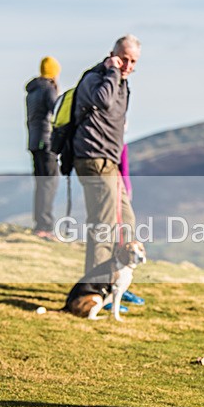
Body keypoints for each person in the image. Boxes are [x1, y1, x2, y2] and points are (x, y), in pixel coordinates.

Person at [72, 35, 144, 308]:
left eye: (132, 62)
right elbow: (102, 101)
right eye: (123, 58)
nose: (127, 65)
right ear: (112, 54)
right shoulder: (96, 77)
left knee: (127, 221)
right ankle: (92, 292)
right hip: (94, 159)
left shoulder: (122, 83)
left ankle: (117, 283)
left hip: (110, 163)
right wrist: (112, 70)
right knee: (103, 228)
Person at [25, 56, 61, 239]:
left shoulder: (32, 91)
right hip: (45, 141)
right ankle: (45, 226)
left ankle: (40, 223)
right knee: (49, 182)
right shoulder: (48, 89)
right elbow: (57, 110)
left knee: (41, 183)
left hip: (34, 141)